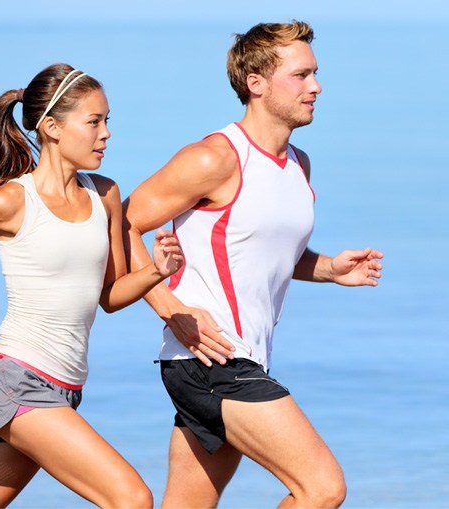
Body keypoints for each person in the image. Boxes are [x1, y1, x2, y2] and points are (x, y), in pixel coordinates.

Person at [123, 20, 383, 508]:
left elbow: (257, 248)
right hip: (213, 360)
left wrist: (328, 268)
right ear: (255, 83)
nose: (316, 86)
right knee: (322, 488)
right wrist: (169, 308)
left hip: (235, 358)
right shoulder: (214, 158)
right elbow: (119, 224)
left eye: (315, 74)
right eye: (301, 75)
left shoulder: (298, 164)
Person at [0, 63, 182, 508]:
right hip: (18, 382)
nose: (106, 133)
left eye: (107, 120)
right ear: (52, 127)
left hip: (65, 386)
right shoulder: (12, 201)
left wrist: (156, 271)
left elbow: (108, 297)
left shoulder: (105, 194)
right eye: (93, 121)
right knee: (131, 498)